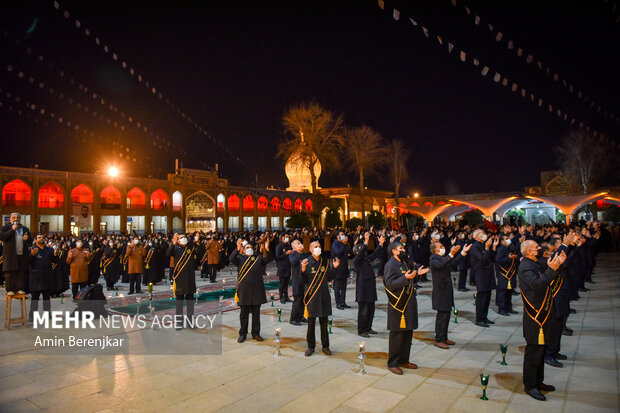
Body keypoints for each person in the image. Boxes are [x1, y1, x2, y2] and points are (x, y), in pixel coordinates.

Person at [518, 239, 566, 401]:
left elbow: (548, 275)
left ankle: (539, 381)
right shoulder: (525, 267)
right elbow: (538, 285)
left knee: (542, 349)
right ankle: (530, 385)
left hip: (543, 311)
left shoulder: (535, 263)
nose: (540, 249)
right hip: (535, 315)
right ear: (530, 251)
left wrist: (556, 266)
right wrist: (552, 269)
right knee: (533, 351)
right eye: (537, 247)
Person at [383, 241, 429, 375]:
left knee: (408, 332)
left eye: (403, 248)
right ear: (394, 251)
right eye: (400, 249)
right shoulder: (390, 265)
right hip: (398, 304)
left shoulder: (403, 263)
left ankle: (404, 359)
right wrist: (405, 277)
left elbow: (409, 278)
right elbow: (390, 284)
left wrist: (416, 274)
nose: (403, 250)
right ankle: (393, 363)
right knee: (397, 334)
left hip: (408, 301)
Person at [229, 237, 273, 342]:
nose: (249, 249)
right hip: (244, 291)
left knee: (256, 314)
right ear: (243, 250)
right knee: (243, 314)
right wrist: (237, 248)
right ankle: (242, 334)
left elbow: (268, 259)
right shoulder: (240, 259)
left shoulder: (258, 258)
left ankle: (256, 333)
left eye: (251, 247)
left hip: (256, 290)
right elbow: (231, 259)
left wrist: (266, 249)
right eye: (247, 247)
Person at [301, 241, 339, 356]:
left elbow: (329, 278)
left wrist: (335, 268)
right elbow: (303, 281)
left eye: (319, 246)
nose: (318, 248)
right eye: (315, 247)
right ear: (310, 249)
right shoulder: (306, 262)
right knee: (311, 324)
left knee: (324, 324)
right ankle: (310, 347)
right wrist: (302, 270)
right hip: (312, 297)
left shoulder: (325, 261)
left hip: (323, 296)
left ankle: (325, 346)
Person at [429, 241, 471, 349]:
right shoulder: (434, 258)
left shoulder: (443, 258)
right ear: (435, 250)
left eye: (443, 245)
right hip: (440, 292)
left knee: (446, 315)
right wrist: (451, 254)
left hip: (447, 291)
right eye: (440, 246)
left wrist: (462, 253)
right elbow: (441, 265)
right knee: (441, 316)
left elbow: (453, 263)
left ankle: (444, 337)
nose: (443, 247)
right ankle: (439, 339)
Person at [352, 232, 385, 337]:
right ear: (357, 252)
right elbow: (362, 253)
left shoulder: (366, 259)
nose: (364, 250)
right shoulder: (357, 260)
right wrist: (365, 242)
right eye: (362, 249)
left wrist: (380, 244)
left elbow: (374, 254)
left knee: (371, 310)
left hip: (370, 288)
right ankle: (361, 330)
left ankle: (368, 327)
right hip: (363, 290)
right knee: (363, 311)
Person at [166, 233, 199, 329]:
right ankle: (179, 323)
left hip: (190, 279)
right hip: (180, 280)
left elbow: (199, 252)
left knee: (190, 303)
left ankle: (190, 322)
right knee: (179, 302)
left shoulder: (191, 248)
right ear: (178, 240)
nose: (183, 239)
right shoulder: (175, 248)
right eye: (181, 238)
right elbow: (168, 253)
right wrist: (173, 243)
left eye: (184, 237)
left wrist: (196, 242)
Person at [469, 229, 498, 327]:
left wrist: (493, 247)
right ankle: (479, 318)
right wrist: (486, 248)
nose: (484, 235)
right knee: (482, 297)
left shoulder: (485, 245)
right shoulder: (474, 247)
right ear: (476, 236)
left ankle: (484, 316)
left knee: (488, 297)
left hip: (488, 273)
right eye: (481, 234)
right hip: (481, 274)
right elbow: (482, 259)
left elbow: (492, 258)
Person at [0, 212, 32, 295]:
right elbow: (3, 237)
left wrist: (27, 239)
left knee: (20, 272)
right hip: (10, 255)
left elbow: (30, 241)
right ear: (10, 219)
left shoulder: (25, 229)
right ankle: (10, 289)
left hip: (22, 254)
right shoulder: (5, 228)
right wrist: (12, 229)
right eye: (13, 217)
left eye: (17, 217)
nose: (16, 219)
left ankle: (20, 288)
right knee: (10, 273)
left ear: (20, 219)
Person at [28, 234, 55, 321]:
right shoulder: (31, 249)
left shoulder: (50, 250)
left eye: (43, 237)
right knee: (35, 299)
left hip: (47, 277)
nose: (41, 239)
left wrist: (55, 255)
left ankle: (47, 314)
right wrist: (31, 255)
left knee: (47, 298)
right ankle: (32, 316)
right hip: (36, 278)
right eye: (39, 237)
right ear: (35, 240)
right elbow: (27, 262)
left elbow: (54, 261)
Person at [495, 234, 518, 316]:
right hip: (503, 273)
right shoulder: (501, 249)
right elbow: (499, 260)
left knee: (509, 291)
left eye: (508, 238)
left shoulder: (509, 248)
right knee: (502, 292)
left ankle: (509, 307)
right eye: (506, 239)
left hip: (510, 272)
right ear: (501, 241)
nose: (508, 240)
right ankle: (501, 308)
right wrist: (509, 258)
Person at [331, 230, 351, 310]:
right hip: (337, 267)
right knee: (337, 286)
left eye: (344, 234)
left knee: (343, 287)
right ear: (337, 236)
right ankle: (338, 303)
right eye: (342, 234)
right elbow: (338, 253)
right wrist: (344, 244)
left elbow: (349, 252)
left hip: (344, 266)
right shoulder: (335, 243)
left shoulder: (344, 244)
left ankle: (343, 302)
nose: (343, 236)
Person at [289, 239, 306, 325]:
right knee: (297, 299)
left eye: (300, 243)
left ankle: (300, 316)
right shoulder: (292, 254)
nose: (300, 245)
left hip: (304, 279)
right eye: (298, 244)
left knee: (303, 299)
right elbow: (293, 262)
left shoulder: (303, 254)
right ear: (294, 246)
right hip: (297, 279)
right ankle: (293, 318)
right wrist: (299, 253)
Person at [275, 234, 293, 304]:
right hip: (282, 267)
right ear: (282, 238)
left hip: (288, 266)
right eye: (286, 237)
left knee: (286, 283)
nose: (287, 238)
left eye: (288, 237)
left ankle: (286, 297)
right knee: (282, 283)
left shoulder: (288, 245)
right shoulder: (279, 246)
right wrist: (286, 254)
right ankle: (281, 297)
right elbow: (277, 257)